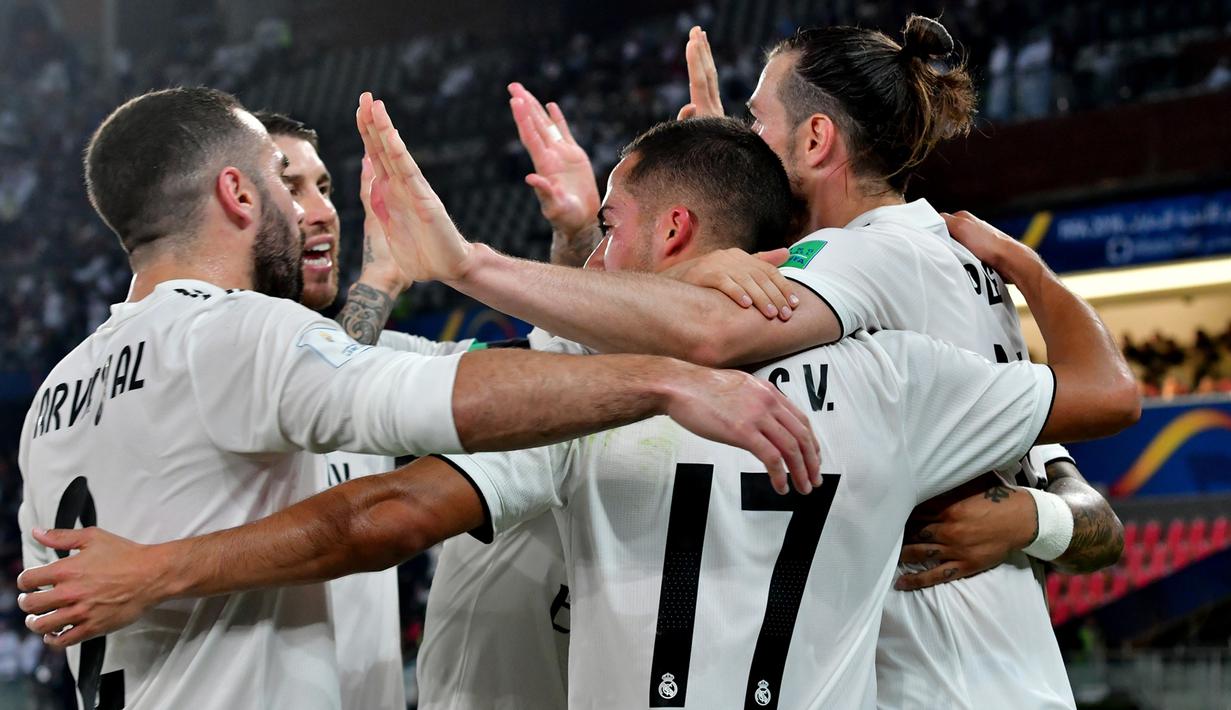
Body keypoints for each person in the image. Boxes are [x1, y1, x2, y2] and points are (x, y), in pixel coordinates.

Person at [18, 117, 1139, 708]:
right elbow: (1099, 425)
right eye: (291, 182)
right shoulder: (902, 375)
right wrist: (1024, 275)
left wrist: (161, 567)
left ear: (674, 232)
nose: (595, 254)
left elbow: (384, 499)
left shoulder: (53, 396)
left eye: (610, 225)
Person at [15, 87, 817, 710]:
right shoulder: (234, 337)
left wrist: (649, 273)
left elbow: (529, 363)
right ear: (238, 194)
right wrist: (669, 372)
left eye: (322, 186)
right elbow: (448, 418)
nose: (309, 210)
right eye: (282, 184)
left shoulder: (55, 398)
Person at [454, 17, 1125, 708]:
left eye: (755, 120)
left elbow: (706, 333)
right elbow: (1081, 495)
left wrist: (469, 266)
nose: (748, 139)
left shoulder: (864, 254)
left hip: (936, 682)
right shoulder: (940, 259)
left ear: (815, 139)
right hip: (1007, 672)